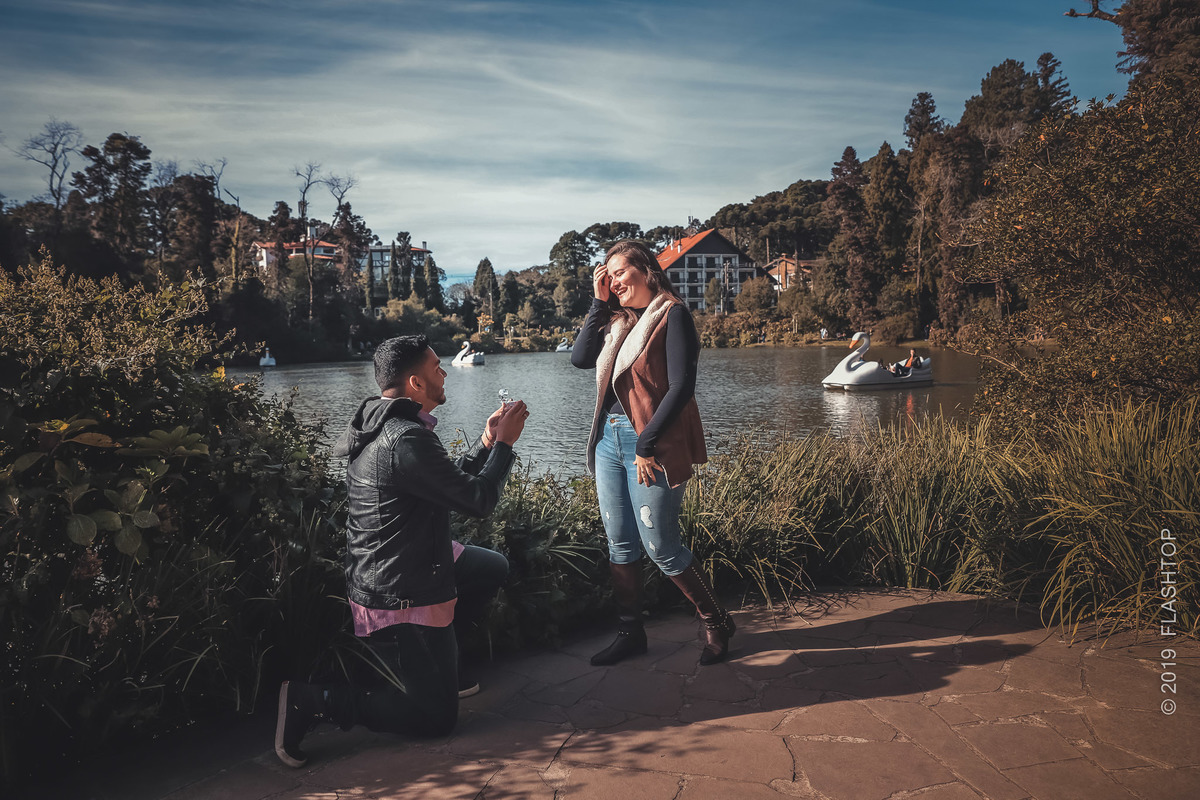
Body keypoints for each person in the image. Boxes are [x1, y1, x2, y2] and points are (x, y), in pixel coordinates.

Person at [275, 335, 529, 768]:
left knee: (490, 568)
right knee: (435, 720)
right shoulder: (404, 438)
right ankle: (311, 700)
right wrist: (505, 445)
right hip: (397, 588)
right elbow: (479, 501)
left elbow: (446, 484)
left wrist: (485, 444)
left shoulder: (390, 425)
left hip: (414, 557)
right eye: (436, 368)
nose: (445, 372)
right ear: (415, 382)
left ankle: (443, 664)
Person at [571, 240, 735, 668]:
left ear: (646, 270)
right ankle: (630, 633)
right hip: (608, 440)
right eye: (607, 274)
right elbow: (580, 359)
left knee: (661, 544)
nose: (614, 280)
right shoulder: (615, 319)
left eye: (620, 272)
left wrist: (647, 444)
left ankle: (717, 621)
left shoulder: (672, 314)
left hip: (652, 442)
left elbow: (682, 387)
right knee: (619, 543)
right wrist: (597, 301)